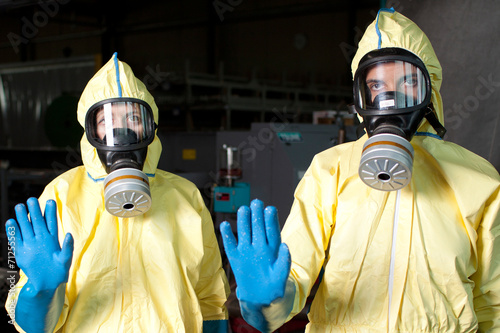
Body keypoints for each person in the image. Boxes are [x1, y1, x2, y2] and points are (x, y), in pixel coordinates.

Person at [220, 8, 500, 332]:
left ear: (429, 88)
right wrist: (267, 301)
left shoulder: (479, 181)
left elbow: (493, 301)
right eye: (378, 86)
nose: (391, 98)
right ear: (362, 96)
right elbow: (295, 271)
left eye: (407, 82)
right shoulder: (330, 170)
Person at [5, 53, 229, 332]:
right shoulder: (61, 196)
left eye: (133, 117)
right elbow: (31, 326)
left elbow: (210, 298)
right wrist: (40, 293)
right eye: (106, 121)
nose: (121, 133)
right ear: (91, 134)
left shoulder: (185, 197)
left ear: (150, 128)